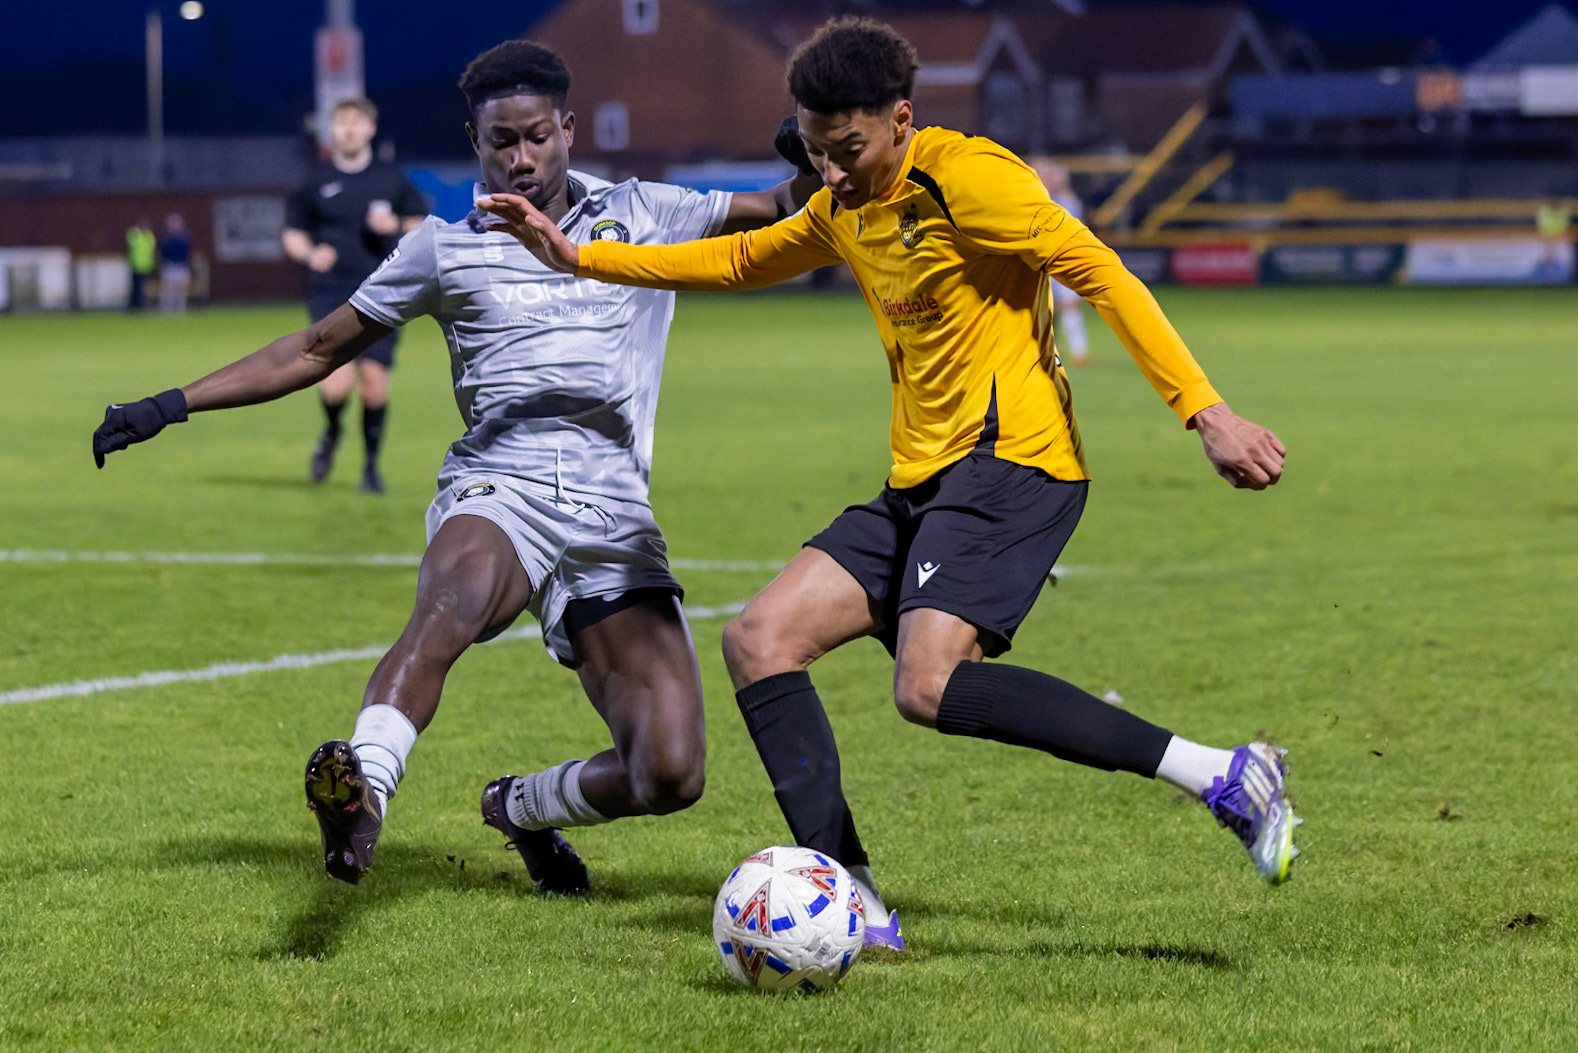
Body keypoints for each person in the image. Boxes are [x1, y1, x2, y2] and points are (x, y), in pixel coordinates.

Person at [477, 16, 1299, 949]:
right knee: (759, 639)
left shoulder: (970, 179)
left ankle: (1226, 774)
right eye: (817, 151)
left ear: (901, 120)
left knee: (928, 684)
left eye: (849, 148)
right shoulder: (843, 201)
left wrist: (1207, 413)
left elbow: (1101, 272)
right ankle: (857, 903)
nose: (829, 170)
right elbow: (743, 258)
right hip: (923, 478)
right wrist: (580, 256)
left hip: (1015, 463)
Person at [93, 40, 821, 896]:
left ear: (569, 130)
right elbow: (318, 345)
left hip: (613, 511)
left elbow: (785, 207)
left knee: (670, 772)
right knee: (452, 600)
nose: (522, 157)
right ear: (473, 142)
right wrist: (172, 403)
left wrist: (810, 146)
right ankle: (363, 789)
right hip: (497, 487)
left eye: (538, 136)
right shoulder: (444, 247)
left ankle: (521, 806)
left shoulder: (645, 211)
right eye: (501, 140)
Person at [283, 98, 428, 494]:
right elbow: (293, 233)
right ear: (331, 130)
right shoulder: (315, 180)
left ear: (370, 127)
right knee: (334, 385)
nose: (348, 129)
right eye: (341, 122)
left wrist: (395, 223)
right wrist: (311, 253)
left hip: (383, 289)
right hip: (331, 292)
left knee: (375, 381)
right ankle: (331, 432)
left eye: (356, 122)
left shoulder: (391, 179)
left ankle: (370, 468)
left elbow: (420, 223)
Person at [1032, 160, 1089, 366]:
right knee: (1042, 309)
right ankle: (1045, 350)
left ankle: (1079, 352)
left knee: (1069, 306)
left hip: (1063, 260)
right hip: (1038, 262)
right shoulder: (1032, 198)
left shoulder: (1067, 201)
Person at [157, 213, 191, 315]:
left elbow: (187, 251)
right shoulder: (165, 237)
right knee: (168, 290)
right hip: (169, 266)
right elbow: (161, 252)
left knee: (180, 290)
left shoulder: (184, 237)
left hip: (181, 265)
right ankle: (167, 311)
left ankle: (180, 310)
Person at [126, 218, 156, 311]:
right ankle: (134, 305)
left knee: (142, 288)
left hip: (145, 266)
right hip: (136, 266)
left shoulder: (149, 237)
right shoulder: (135, 235)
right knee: (135, 287)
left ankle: (141, 304)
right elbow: (130, 240)